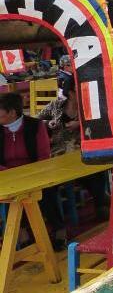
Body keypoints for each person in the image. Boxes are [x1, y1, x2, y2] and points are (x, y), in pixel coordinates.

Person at [38, 76, 110, 219]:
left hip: (82, 152)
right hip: (58, 155)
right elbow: (35, 122)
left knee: (95, 170)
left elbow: (102, 125)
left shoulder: (90, 108)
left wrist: (81, 125)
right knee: (46, 185)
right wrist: (48, 123)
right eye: (81, 89)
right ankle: (57, 223)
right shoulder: (56, 106)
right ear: (71, 93)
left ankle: (101, 204)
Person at [0, 92, 64, 239]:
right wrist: (9, 173)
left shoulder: (35, 126)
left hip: (35, 173)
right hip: (6, 175)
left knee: (46, 191)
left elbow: (43, 155)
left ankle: (58, 230)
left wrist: (30, 174)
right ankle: (21, 232)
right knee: (13, 191)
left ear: (12, 112)